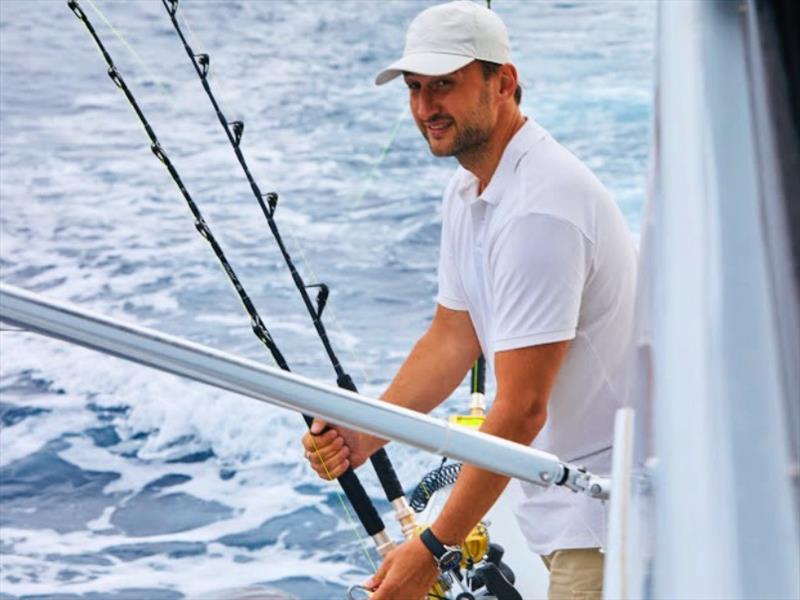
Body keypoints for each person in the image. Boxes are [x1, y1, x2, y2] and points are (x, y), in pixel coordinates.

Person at [301, 1, 637, 598]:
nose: (426, 107)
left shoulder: (541, 208)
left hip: (608, 518)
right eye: (415, 88)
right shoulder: (469, 189)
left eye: (445, 86)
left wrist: (432, 550)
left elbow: (523, 409)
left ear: (503, 82)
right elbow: (453, 338)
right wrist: (363, 434)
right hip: (560, 506)